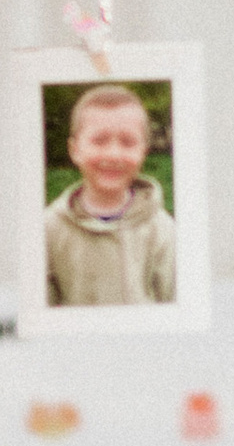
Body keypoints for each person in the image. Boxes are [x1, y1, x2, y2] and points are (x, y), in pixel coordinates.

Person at [46, 83, 177, 312]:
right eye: (99, 140)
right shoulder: (48, 229)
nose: (114, 153)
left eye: (128, 142)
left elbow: (177, 310)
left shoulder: (162, 230)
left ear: (144, 151)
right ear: (74, 150)